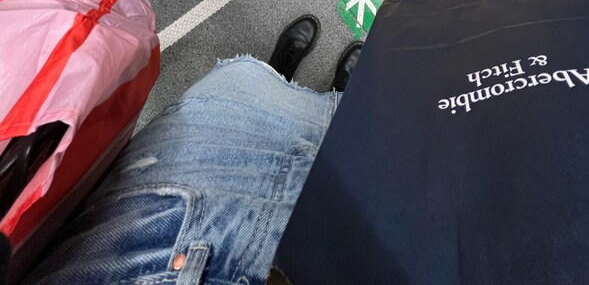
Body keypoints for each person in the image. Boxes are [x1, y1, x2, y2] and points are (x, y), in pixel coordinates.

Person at [19, 16, 363, 284]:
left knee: (231, 108)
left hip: (118, 241)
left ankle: (274, 77)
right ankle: (333, 105)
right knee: (327, 180)